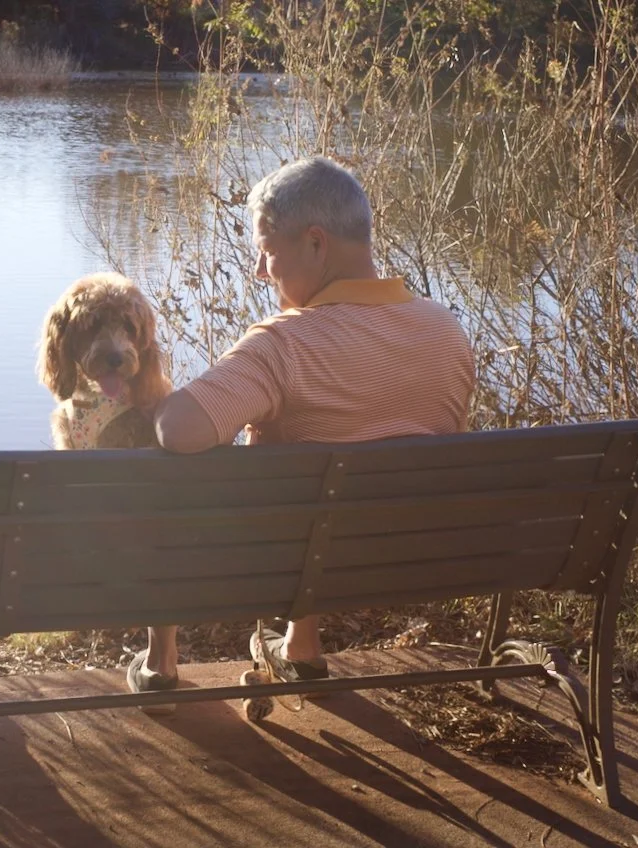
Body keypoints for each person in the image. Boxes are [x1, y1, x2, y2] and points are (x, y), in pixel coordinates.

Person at [127, 156, 476, 708]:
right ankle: (300, 642)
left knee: (169, 480)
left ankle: (161, 661)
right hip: (413, 558)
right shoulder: (447, 331)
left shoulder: (285, 345)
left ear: (316, 244)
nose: (260, 272)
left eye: (267, 252)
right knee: (324, 475)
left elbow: (178, 430)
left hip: (285, 561)